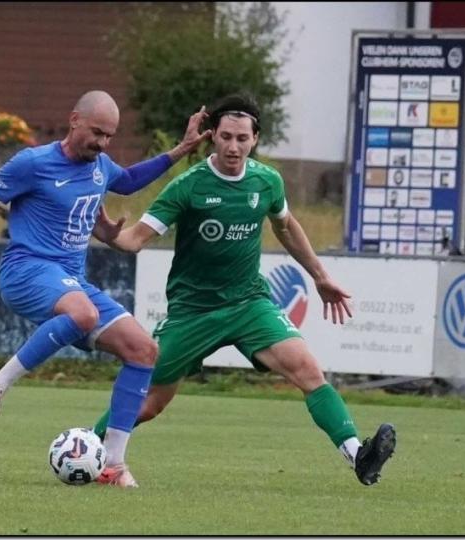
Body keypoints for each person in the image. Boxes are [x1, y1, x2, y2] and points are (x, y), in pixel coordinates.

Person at [0, 90, 211, 488]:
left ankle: (114, 465)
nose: (102, 143)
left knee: (143, 350)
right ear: (74, 121)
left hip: (71, 282)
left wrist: (181, 149)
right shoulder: (32, 163)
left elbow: (130, 181)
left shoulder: (100, 166)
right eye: (97, 132)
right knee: (84, 313)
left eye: (110, 136)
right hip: (25, 271)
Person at [91, 93, 396, 486]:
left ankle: (358, 455)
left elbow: (285, 226)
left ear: (255, 139)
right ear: (212, 137)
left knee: (308, 371)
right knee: (150, 402)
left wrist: (320, 275)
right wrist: (107, 235)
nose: (233, 146)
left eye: (241, 138)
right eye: (225, 137)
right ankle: (86, 449)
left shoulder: (266, 181)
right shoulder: (188, 187)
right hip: (193, 311)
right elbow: (134, 241)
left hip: (249, 302)